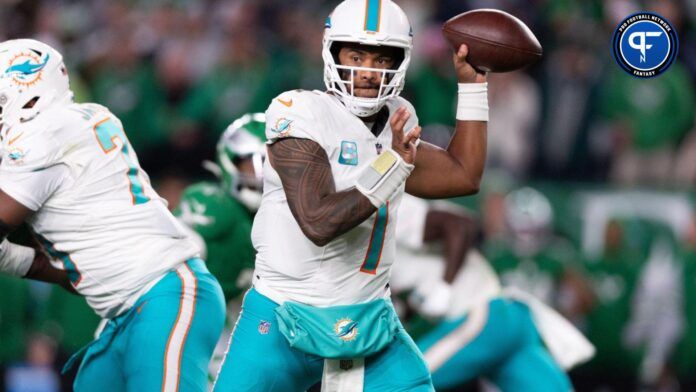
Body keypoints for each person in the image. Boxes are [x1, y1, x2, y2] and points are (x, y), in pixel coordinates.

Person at [213, 0, 489, 390]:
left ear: (399, 64)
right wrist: (393, 165)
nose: (367, 71)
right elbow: (318, 221)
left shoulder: (397, 117)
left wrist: (473, 87)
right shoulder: (300, 112)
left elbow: (464, 176)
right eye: (356, 55)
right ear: (332, 53)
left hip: (369, 323)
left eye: (380, 59)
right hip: (282, 317)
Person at [0, 39, 225, 391]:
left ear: (29, 94)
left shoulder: (45, 132)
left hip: (163, 295)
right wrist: (12, 258)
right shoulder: (84, 118)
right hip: (124, 313)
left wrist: (11, 255)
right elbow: (68, 275)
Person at [390, 194, 594, 391]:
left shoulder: (381, 209)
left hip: (481, 315)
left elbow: (460, 225)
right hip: (510, 319)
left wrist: (444, 288)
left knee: (396, 383)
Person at [174, 113, 266, 382]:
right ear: (229, 161)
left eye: (272, 164)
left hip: (233, 328)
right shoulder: (216, 206)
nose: (262, 175)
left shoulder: (280, 220)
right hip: (190, 326)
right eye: (252, 163)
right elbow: (171, 262)